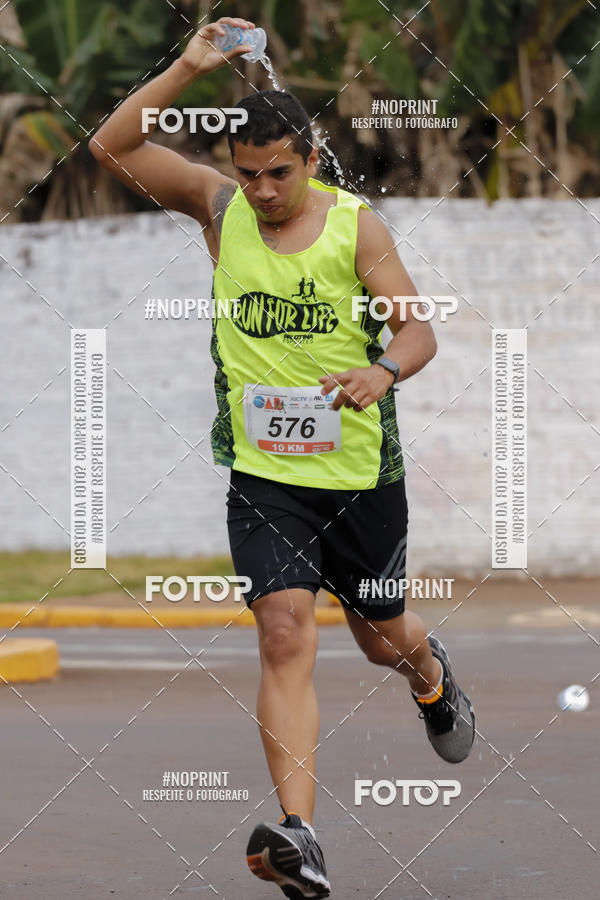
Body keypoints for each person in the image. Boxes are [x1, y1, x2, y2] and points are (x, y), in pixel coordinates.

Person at [90, 16, 476, 900]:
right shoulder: (219, 211)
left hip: (358, 475)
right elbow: (112, 147)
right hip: (266, 479)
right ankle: (301, 836)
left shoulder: (356, 229)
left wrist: (383, 370)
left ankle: (430, 674)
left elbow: (418, 330)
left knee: (381, 639)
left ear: (310, 158)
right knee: (283, 630)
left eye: (279, 173)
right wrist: (189, 64)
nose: (262, 191)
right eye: (247, 174)